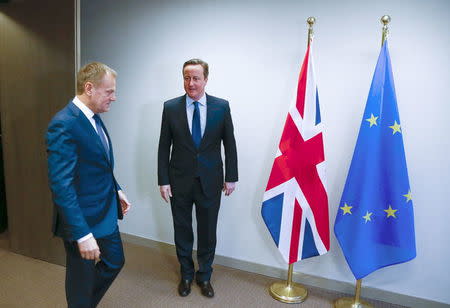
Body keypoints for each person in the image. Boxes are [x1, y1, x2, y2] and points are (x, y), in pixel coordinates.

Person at [46, 62, 131, 308]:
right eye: (109, 91)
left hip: (103, 210)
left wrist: (117, 190)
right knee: (80, 280)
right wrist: (82, 234)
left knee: (115, 261)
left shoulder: (93, 117)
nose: (114, 98)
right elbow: (61, 185)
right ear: (90, 88)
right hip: (80, 219)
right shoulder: (64, 123)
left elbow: (99, 163)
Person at [158, 58, 238, 298]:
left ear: (205, 79)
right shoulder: (171, 107)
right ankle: (186, 274)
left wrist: (231, 176)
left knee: (207, 231)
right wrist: (163, 179)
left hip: (211, 180)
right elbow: (164, 146)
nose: (190, 83)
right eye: (186, 77)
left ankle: (204, 276)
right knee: (182, 229)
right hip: (179, 180)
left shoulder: (221, 106)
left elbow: (229, 143)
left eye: (195, 78)